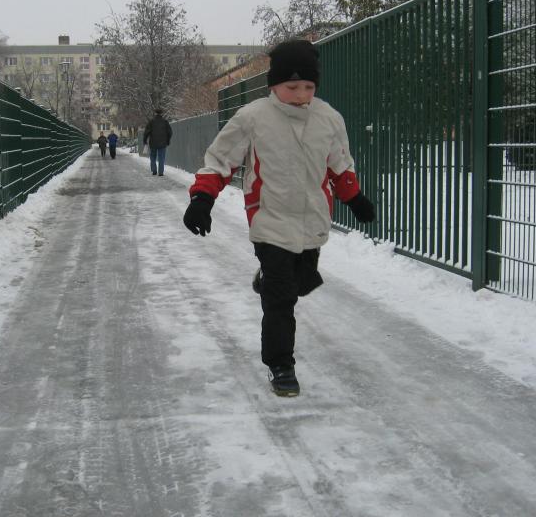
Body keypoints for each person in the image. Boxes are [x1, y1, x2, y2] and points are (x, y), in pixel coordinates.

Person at [182, 39, 375, 397]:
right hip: (269, 219)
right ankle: (281, 364)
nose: (301, 95)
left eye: (309, 87)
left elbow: (339, 164)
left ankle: (267, 280)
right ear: (274, 85)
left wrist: (354, 197)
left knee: (301, 282)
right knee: (281, 299)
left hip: (312, 220)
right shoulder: (253, 118)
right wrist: (203, 198)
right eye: (292, 86)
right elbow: (221, 159)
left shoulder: (329, 119)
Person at [143, 108, 173, 176]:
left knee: (153, 157)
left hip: (153, 142)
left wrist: (145, 140)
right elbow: (170, 132)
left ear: (155, 113)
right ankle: (161, 172)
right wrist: (168, 140)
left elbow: (146, 132)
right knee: (161, 157)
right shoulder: (165, 122)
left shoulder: (151, 122)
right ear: (161, 114)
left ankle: (154, 170)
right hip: (163, 143)